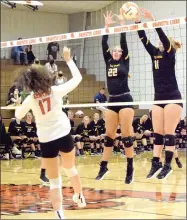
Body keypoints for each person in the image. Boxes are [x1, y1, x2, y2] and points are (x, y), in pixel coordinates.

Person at [15, 46, 86, 219]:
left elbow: (17, 116)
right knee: (70, 168)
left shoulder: (30, 99)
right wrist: (68, 59)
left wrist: (20, 104)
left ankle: (59, 213)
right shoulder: (55, 91)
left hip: (46, 140)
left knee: (55, 181)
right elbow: (78, 78)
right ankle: (79, 195)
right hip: (63, 135)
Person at [135, 9, 183, 179]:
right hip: (158, 98)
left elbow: (162, 36)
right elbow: (143, 39)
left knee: (169, 133)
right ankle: (156, 163)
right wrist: (137, 22)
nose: (159, 43)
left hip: (173, 97)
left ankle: (168, 165)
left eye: (163, 42)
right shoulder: (154, 54)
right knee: (158, 133)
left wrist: (154, 20)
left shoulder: (170, 54)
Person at [95, 11, 135, 184]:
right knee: (109, 135)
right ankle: (104, 166)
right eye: (115, 50)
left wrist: (121, 25)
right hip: (112, 100)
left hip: (125, 99)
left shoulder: (125, 61)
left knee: (126, 135)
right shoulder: (108, 61)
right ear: (111, 53)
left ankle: (130, 167)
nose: (117, 51)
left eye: (119, 51)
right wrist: (106, 26)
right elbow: (104, 41)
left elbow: (123, 41)